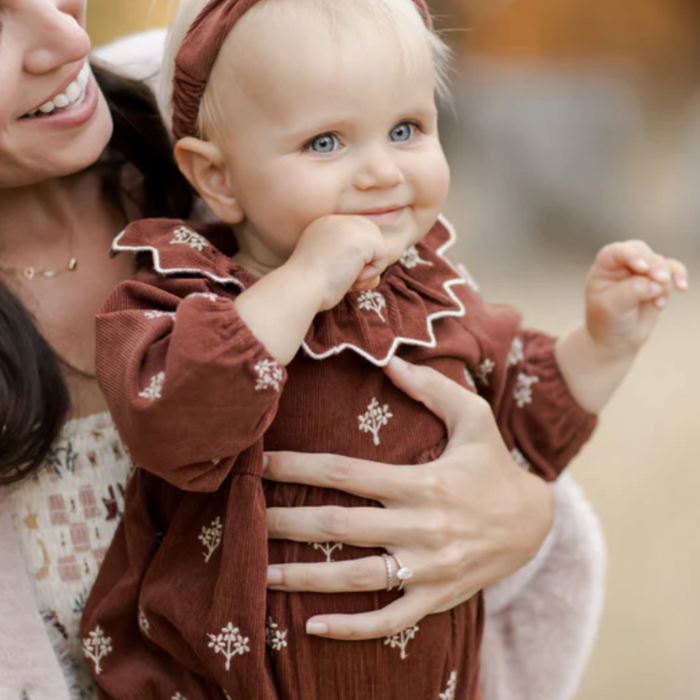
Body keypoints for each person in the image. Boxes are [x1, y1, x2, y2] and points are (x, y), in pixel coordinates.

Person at [78, 0, 687, 697]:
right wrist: (303, 281)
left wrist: (605, 341)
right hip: (234, 678)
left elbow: (529, 421)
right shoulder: (188, 297)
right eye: (327, 143)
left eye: (406, 129)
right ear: (217, 177)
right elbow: (178, 424)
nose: (381, 173)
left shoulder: (433, 295)